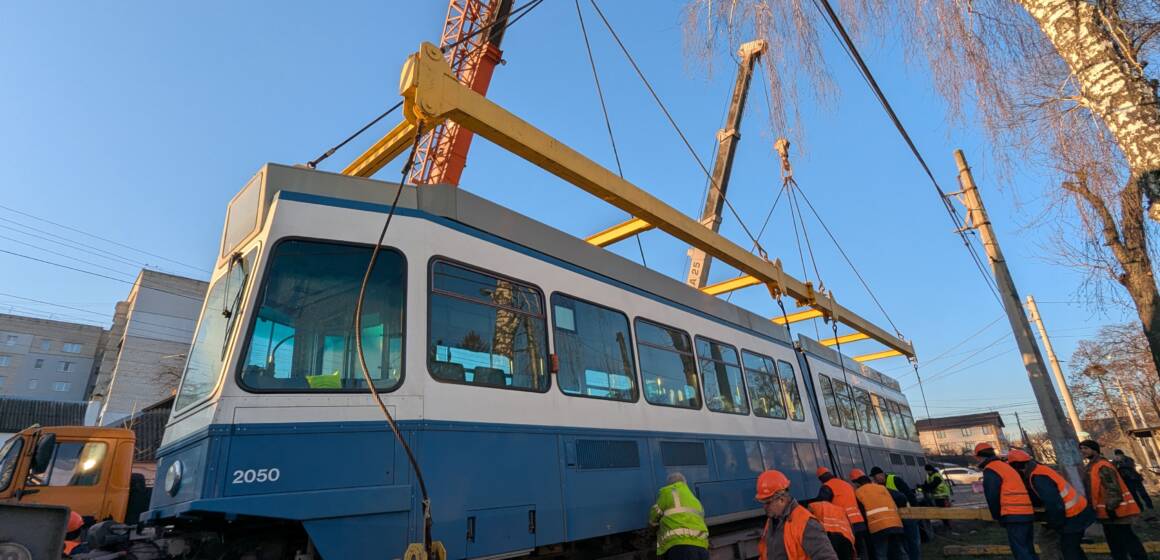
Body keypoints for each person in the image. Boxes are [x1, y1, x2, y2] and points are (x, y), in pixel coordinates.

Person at [1007, 448, 1094, 560]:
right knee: (1071, 548)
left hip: (1074, 515)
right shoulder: (1039, 470)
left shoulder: (1038, 477)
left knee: (1069, 549)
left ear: (1018, 468)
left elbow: (1054, 504)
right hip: (1076, 512)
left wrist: (1054, 524)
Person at [1079, 440, 1147, 560]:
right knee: (1114, 541)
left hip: (1115, 511)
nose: (1083, 451)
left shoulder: (1102, 465)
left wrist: (1111, 507)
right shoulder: (1092, 466)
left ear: (1094, 450)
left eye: (1086, 448)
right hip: (1105, 512)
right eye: (1081, 449)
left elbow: (1113, 488)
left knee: (1127, 538)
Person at [755, 469, 838, 560]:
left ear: (782, 500)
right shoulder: (772, 521)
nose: (764, 507)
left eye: (768, 503)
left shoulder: (806, 523)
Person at [975, 442, 1038, 560]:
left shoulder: (991, 469)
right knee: (1028, 549)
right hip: (1026, 512)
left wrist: (997, 516)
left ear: (978, 457)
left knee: (1021, 551)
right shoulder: (1005, 466)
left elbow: (992, 495)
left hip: (1013, 514)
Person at [649, 472, 710, 560]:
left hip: (680, 546)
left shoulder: (668, 492)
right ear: (684, 483)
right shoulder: (695, 500)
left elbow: (654, 515)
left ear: (670, 484)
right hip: (701, 547)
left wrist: (651, 526)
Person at [850, 468, 908, 560]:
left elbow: (862, 513)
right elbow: (901, 497)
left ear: (857, 483)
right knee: (900, 552)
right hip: (895, 524)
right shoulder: (881, 487)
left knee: (881, 554)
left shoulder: (858, 493)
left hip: (878, 527)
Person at [817, 467, 871, 560]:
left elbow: (822, 504)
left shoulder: (827, 486)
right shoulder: (846, 484)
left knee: (849, 553)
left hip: (846, 525)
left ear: (821, 478)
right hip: (859, 522)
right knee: (862, 551)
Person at [871, 467, 920, 560]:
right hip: (896, 517)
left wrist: (915, 511)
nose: (874, 479)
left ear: (880, 474)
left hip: (907, 514)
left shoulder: (894, 479)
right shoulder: (879, 486)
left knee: (912, 541)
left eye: (875, 477)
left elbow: (909, 494)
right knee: (904, 541)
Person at [809, 492, 857, 560]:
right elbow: (849, 526)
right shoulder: (839, 509)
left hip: (829, 538)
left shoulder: (812, 506)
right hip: (845, 537)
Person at [920, 464, 952, 531]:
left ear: (930, 470)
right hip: (937, 496)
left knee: (943, 511)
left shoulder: (936, 476)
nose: (927, 472)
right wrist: (922, 486)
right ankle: (946, 524)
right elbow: (926, 484)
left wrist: (924, 487)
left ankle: (947, 525)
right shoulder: (928, 476)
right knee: (940, 510)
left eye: (928, 471)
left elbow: (933, 485)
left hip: (942, 495)